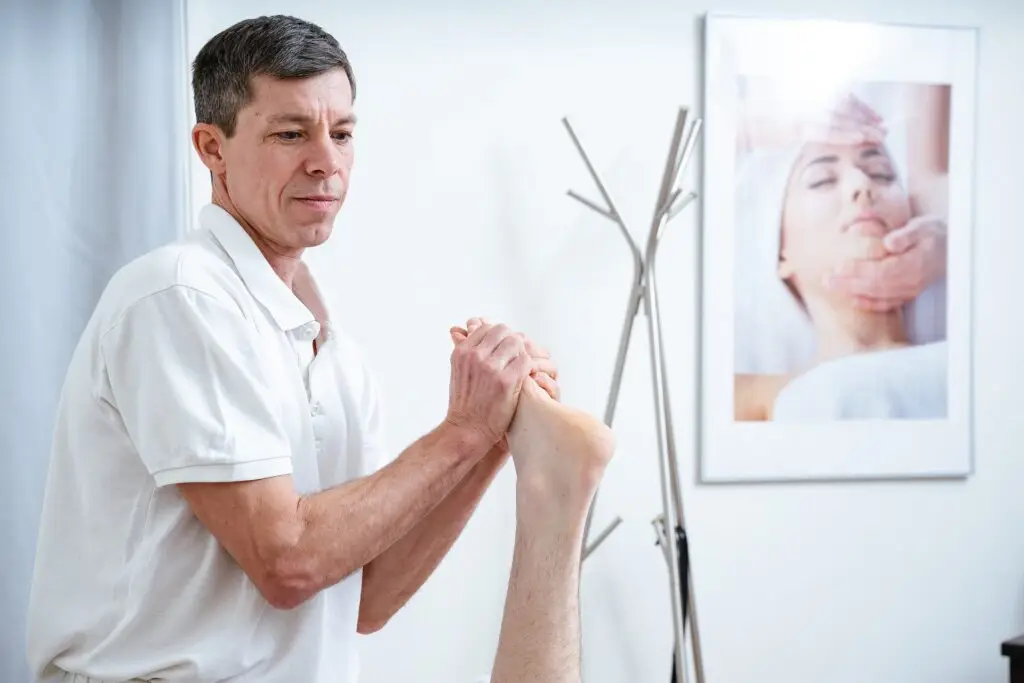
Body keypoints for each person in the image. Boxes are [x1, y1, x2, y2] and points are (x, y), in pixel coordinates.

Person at [26, 14, 609, 683]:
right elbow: (288, 561)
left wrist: (492, 437)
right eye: (291, 133)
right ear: (212, 148)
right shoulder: (178, 296)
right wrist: (461, 432)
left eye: (342, 133)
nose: (326, 162)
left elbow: (368, 597)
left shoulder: (334, 353)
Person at [733, 123, 948, 421]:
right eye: (822, 180)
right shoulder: (775, 399)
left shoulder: (972, 365)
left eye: (882, 174)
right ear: (780, 253)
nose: (863, 184)